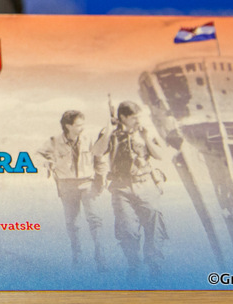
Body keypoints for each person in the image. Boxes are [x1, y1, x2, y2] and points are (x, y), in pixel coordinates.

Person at [93, 100, 167, 277]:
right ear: (123, 117)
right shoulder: (110, 134)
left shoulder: (145, 132)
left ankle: (155, 266)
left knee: (154, 226)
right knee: (127, 230)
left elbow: (160, 155)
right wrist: (108, 131)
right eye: (134, 118)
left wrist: (147, 138)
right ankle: (134, 265)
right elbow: (96, 151)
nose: (138, 120)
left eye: (138, 117)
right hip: (121, 188)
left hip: (145, 184)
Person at [38, 110, 107, 271]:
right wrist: (46, 162)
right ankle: (78, 257)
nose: (82, 128)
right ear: (68, 126)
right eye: (78, 125)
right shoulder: (54, 141)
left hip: (88, 183)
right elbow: (37, 155)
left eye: (83, 124)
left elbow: (100, 159)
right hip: (66, 185)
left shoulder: (89, 139)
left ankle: (101, 257)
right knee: (72, 223)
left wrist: (102, 178)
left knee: (95, 220)